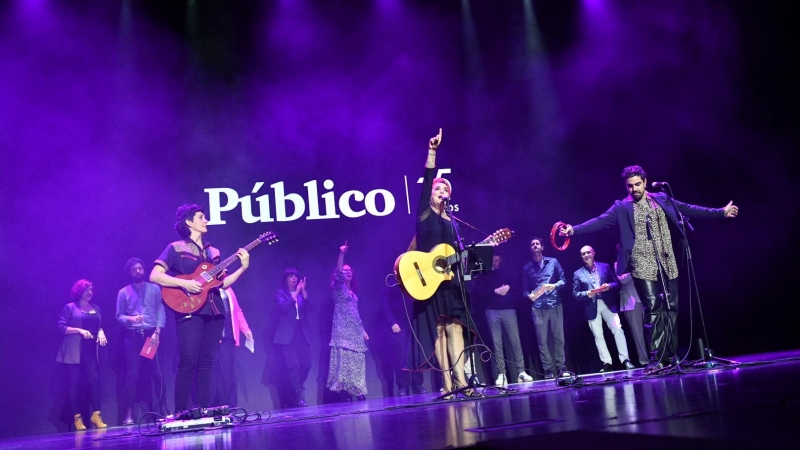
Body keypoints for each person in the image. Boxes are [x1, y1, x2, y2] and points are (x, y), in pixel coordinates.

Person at [559, 165, 739, 372]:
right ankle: (656, 359)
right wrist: (574, 229)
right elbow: (599, 222)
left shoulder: (661, 199)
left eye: (637, 184)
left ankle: (673, 356)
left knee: (671, 308)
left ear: (645, 182)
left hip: (667, 260)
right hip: (641, 263)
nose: (634, 189)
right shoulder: (621, 207)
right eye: (630, 186)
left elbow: (688, 209)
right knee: (653, 310)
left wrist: (720, 212)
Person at [150, 203, 250, 412]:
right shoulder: (176, 247)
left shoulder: (213, 252)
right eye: (201, 217)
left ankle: (203, 409)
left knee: (207, 362)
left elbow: (221, 283)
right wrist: (184, 283)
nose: (206, 221)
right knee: (188, 361)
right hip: (188, 308)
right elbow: (155, 275)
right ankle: (179, 411)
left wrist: (243, 268)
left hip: (213, 310)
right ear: (189, 222)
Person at [411, 129, 476, 398]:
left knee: (456, 327)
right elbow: (427, 180)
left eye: (445, 189)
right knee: (439, 330)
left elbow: (459, 255)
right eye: (438, 189)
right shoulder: (425, 214)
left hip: (451, 283)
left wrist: (471, 256)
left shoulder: (453, 222)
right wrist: (432, 152)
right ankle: (447, 384)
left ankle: (462, 380)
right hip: (429, 281)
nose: (440, 191)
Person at [116, 258, 166, 425]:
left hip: (150, 336)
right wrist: (131, 319)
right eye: (134, 269)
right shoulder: (123, 292)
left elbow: (160, 310)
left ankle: (163, 409)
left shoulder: (154, 288)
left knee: (157, 374)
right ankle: (129, 413)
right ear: (129, 273)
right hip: (133, 336)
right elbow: (119, 316)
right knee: (132, 376)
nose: (138, 271)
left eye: (140, 268)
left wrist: (157, 332)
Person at [572, 246, 635, 372]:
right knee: (598, 336)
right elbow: (575, 294)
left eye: (588, 252)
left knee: (618, 330)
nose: (586, 255)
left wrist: (609, 286)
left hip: (608, 304)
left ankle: (625, 359)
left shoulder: (604, 266)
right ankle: (606, 362)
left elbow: (616, 283)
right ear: (581, 257)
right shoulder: (577, 273)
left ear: (593, 253)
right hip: (591, 306)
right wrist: (587, 294)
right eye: (583, 253)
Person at [56, 279, 108, 430]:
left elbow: (99, 325)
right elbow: (60, 327)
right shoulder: (70, 308)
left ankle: (96, 414)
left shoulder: (96, 308)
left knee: (94, 380)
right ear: (80, 291)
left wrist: (101, 331)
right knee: (74, 383)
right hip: (73, 350)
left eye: (91, 290)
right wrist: (79, 330)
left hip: (90, 351)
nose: (90, 292)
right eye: (87, 290)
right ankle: (76, 418)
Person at [474, 254, 532, 386]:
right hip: (491, 310)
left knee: (515, 341)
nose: (494, 263)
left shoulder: (508, 271)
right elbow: (479, 292)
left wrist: (508, 288)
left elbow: (517, 287)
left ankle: (521, 371)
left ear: (501, 259)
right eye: (492, 260)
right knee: (497, 344)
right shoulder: (485, 273)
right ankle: (502, 373)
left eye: (496, 260)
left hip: (508, 309)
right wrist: (494, 291)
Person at [326, 241, 369, 401]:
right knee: (344, 361)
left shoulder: (353, 293)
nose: (347, 272)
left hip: (355, 332)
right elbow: (337, 273)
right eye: (345, 270)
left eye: (350, 270)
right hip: (342, 330)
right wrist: (342, 254)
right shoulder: (339, 287)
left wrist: (363, 330)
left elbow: (356, 314)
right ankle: (345, 391)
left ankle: (358, 390)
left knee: (356, 360)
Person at [522, 237, 566, 379]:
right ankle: (548, 370)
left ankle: (561, 367)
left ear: (542, 247)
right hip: (538, 307)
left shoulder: (553, 262)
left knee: (559, 338)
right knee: (542, 340)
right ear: (530, 249)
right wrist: (529, 296)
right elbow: (524, 290)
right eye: (532, 244)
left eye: (537, 244)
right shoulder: (527, 268)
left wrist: (554, 285)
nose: (535, 246)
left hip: (555, 304)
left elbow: (563, 280)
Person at [274, 268, 313, 407]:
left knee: (307, 365)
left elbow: (309, 307)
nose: (294, 279)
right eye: (291, 276)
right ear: (286, 279)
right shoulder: (280, 293)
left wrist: (303, 292)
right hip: (286, 334)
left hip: (301, 332)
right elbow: (283, 308)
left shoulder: (302, 295)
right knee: (293, 366)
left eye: (296, 276)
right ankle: (297, 395)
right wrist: (295, 294)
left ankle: (295, 389)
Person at [210, 287, 253, 408]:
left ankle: (226, 404)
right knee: (212, 372)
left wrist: (246, 329)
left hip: (228, 336)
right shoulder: (208, 288)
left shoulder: (229, 289)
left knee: (226, 372)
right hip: (212, 338)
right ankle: (211, 405)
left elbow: (237, 311)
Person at [380, 284, 426, 396]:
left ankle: (417, 384)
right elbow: (385, 303)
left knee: (416, 354)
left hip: (414, 321)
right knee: (401, 356)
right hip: (399, 323)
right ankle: (403, 387)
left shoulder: (412, 280)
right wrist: (392, 322)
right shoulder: (391, 282)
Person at [616, 258, 650, 368]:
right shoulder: (618, 264)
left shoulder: (640, 260)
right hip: (631, 302)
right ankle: (644, 361)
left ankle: (658, 357)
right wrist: (634, 270)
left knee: (652, 331)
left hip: (645, 299)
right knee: (638, 335)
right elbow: (622, 279)